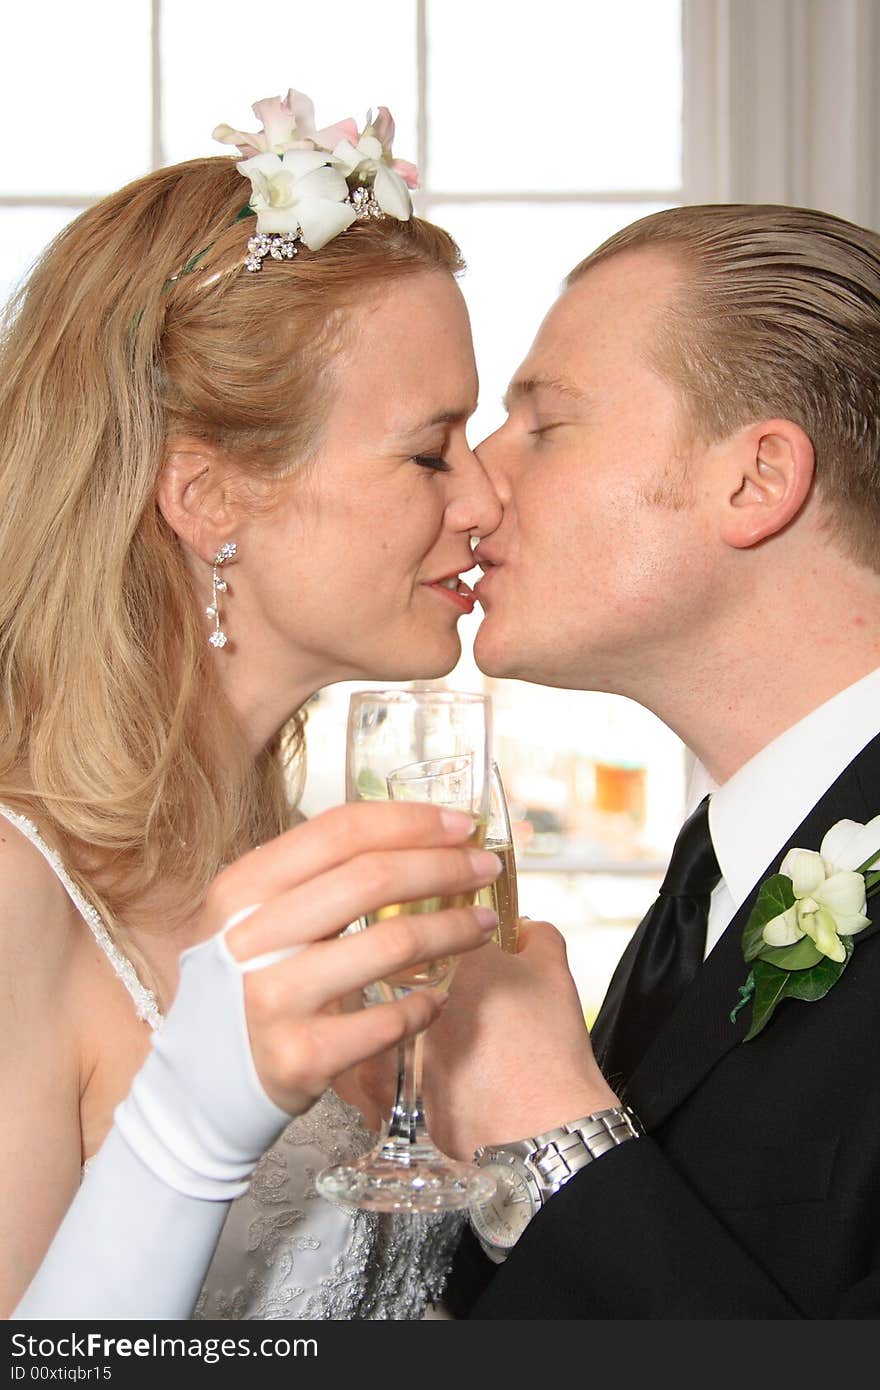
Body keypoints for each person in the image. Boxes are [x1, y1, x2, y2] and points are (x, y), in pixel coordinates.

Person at [0, 87, 503, 1321]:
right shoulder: (16, 894)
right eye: (432, 450)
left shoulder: (288, 867)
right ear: (208, 495)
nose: (487, 497)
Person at [419, 203, 880, 1319]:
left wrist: (546, 1124)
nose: (473, 485)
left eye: (543, 422)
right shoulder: (716, 868)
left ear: (755, 478)